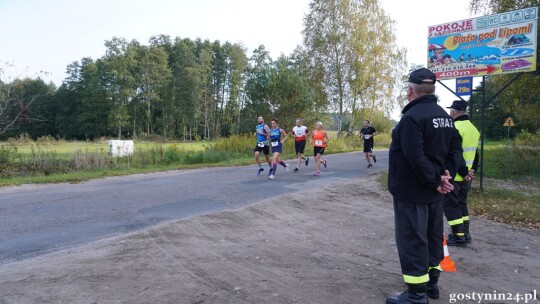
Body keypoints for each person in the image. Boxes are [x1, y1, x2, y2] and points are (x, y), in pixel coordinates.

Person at [386, 68, 464, 304]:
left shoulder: (412, 118)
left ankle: (416, 295)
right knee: (432, 237)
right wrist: (445, 175)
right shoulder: (444, 116)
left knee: (412, 239)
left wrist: (435, 179)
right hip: (434, 192)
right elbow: (455, 149)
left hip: (413, 192)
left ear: (410, 91)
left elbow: (415, 157)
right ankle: (431, 286)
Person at [444, 100, 480, 246]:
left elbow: (455, 154)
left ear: (453, 112)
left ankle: (458, 236)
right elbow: (475, 154)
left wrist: (464, 172)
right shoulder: (473, 129)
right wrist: (472, 171)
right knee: (462, 203)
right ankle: (466, 234)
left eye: (450, 112)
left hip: (456, 174)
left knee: (451, 205)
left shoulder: (455, 128)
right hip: (466, 176)